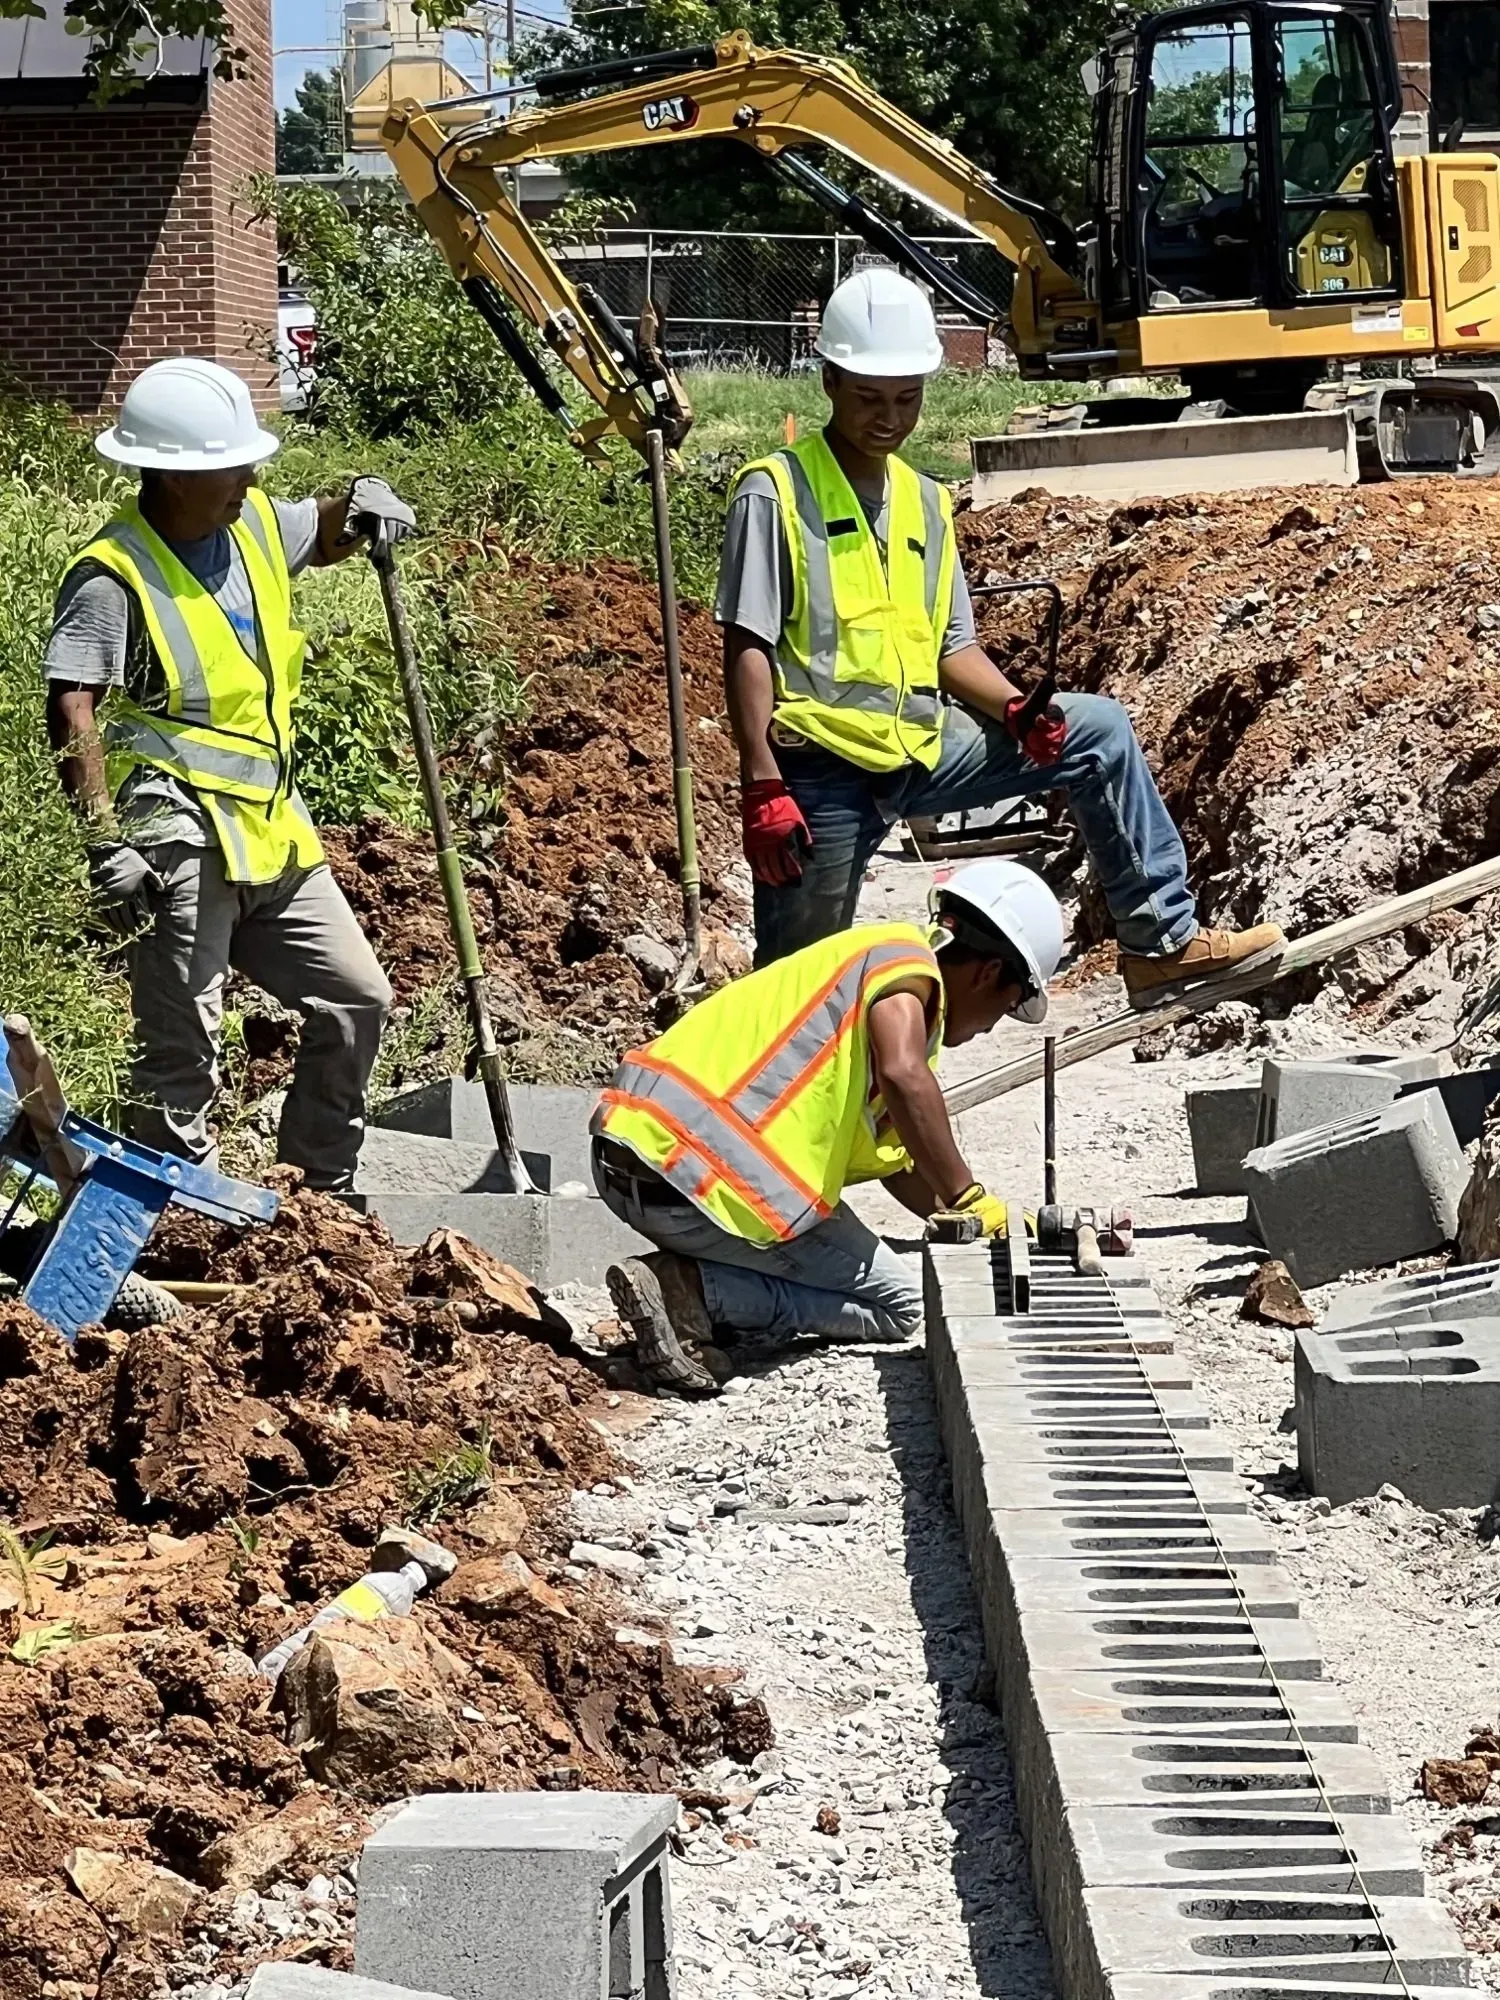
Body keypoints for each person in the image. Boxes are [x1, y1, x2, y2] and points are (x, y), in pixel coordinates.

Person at [716, 265, 1284, 1001]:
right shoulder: (774, 491)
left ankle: (1160, 943)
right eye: (869, 398)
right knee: (795, 992)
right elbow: (748, 645)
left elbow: (953, 649)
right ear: (829, 381)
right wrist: (762, 783)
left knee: (1098, 732)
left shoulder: (924, 501)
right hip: (821, 771)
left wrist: (1014, 709)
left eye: (906, 398)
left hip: (918, 746)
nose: (888, 418)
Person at [43, 356, 415, 1191]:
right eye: (234, 465)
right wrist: (103, 843)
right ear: (174, 474)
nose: (251, 478)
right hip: (176, 834)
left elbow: (324, 530)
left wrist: (362, 501)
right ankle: (178, 1223)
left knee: (357, 998)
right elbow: (72, 707)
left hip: (270, 830)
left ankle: (318, 1194)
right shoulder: (113, 575)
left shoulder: (252, 526)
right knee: (182, 1055)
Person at [593, 859, 1062, 1394]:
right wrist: (967, 1196)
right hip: (697, 1183)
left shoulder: (856, 976)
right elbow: (904, 1076)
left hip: (631, 1160)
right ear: (989, 972)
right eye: (1010, 1005)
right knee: (899, 1306)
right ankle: (692, 1292)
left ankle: (695, 1296)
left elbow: (898, 1162)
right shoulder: (904, 970)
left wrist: (980, 1224)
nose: (995, 1024)